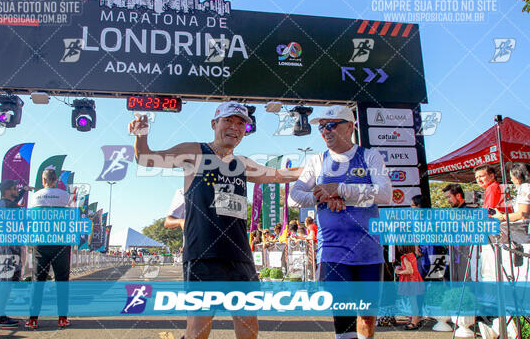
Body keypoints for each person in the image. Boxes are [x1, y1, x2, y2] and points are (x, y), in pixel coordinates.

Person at [129, 101, 302, 339]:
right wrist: (141, 135)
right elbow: (147, 158)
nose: (235, 127)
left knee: (249, 326)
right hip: (203, 254)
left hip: (240, 255)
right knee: (199, 329)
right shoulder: (196, 152)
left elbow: (282, 175)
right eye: (228, 121)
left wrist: (319, 165)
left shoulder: (243, 163)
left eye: (241, 123)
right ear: (214, 124)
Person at [289, 105, 392, 339]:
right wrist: (321, 197)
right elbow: (294, 197)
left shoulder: (369, 155)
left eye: (331, 125)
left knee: (366, 314)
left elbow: (385, 194)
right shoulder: (317, 160)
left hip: (368, 249)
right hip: (333, 250)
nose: (325, 131)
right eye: (322, 127)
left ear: (350, 127)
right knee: (343, 311)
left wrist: (341, 190)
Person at [26, 169, 72, 330]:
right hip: (61, 242)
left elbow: (32, 217)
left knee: (38, 281)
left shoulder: (35, 196)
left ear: (43, 180)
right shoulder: (64, 195)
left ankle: (33, 320)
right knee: (62, 281)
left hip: (41, 242)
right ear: (56, 180)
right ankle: (62, 319)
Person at [0, 179, 33, 327]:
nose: (17, 190)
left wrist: (25, 190)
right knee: (4, 281)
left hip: (10, 246)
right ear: (7, 191)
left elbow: (16, 201)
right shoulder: (6, 205)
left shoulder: (6, 204)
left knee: (6, 281)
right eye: (15, 188)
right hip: (7, 247)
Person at [492, 163, 530, 244]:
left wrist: (502, 217)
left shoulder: (525, 187)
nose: (511, 180)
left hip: (525, 236)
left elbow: (522, 214)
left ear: (518, 176)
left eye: (512, 177)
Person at [394, 245, 425, 330]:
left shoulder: (405, 257)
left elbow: (409, 270)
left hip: (410, 282)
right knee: (415, 301)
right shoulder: (412, 254)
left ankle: (414, 322)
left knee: (413, 302)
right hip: (416, 279)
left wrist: (399, 272)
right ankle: (417, 319)